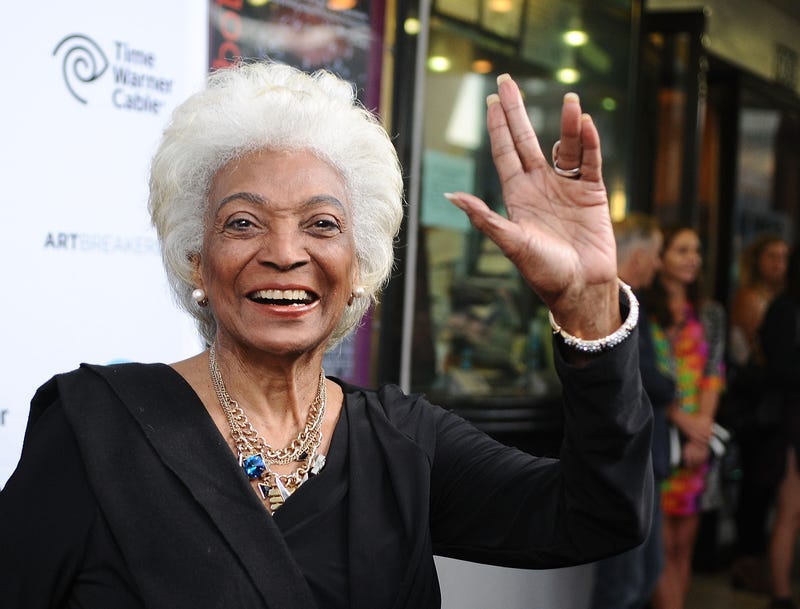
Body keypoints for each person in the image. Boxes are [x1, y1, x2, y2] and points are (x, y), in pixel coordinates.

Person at [0, 62, 653, 609]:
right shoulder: (95, 430)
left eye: (321, 224)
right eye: (243, 222)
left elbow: (599, 514)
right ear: (197, 259)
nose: (285, 252)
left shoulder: (406, 446)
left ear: (359, 266)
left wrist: (588, 302)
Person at [589, 213, 677, 609]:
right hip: (625, 461)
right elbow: (643, 380)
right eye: (657, 254)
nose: (659, 265)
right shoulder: (617, 302)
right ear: (639, 256)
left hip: (637, 461)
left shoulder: (623, 300)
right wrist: (669, 382)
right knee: (624, 584)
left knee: (642, 575)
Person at [647, 225, 725, 609]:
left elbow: (714, 371)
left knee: (682, 546)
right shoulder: (642, 309)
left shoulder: (709, 313)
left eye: (696, 250)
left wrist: (701, 431)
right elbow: (643, 377)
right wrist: (681, 420)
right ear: (660, 257)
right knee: (659, 547)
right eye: (682, 250)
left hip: (697, 443)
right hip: (661, 439)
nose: (692, 258)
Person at [728, 234, 789, 592]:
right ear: (757, 260)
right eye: (772, 256)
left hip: (772, 402)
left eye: (784, 257)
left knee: (766, 487)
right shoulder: (750, 298)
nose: (778, 264)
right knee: (754, 484)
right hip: (754, 402)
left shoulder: (780, 300)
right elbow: (758, 355)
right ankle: (745, 562)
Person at [762, 246, 800, 609]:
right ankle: (781, 595)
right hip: (790, 425)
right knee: (790, 510)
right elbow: (779, 368)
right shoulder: (784, 310)